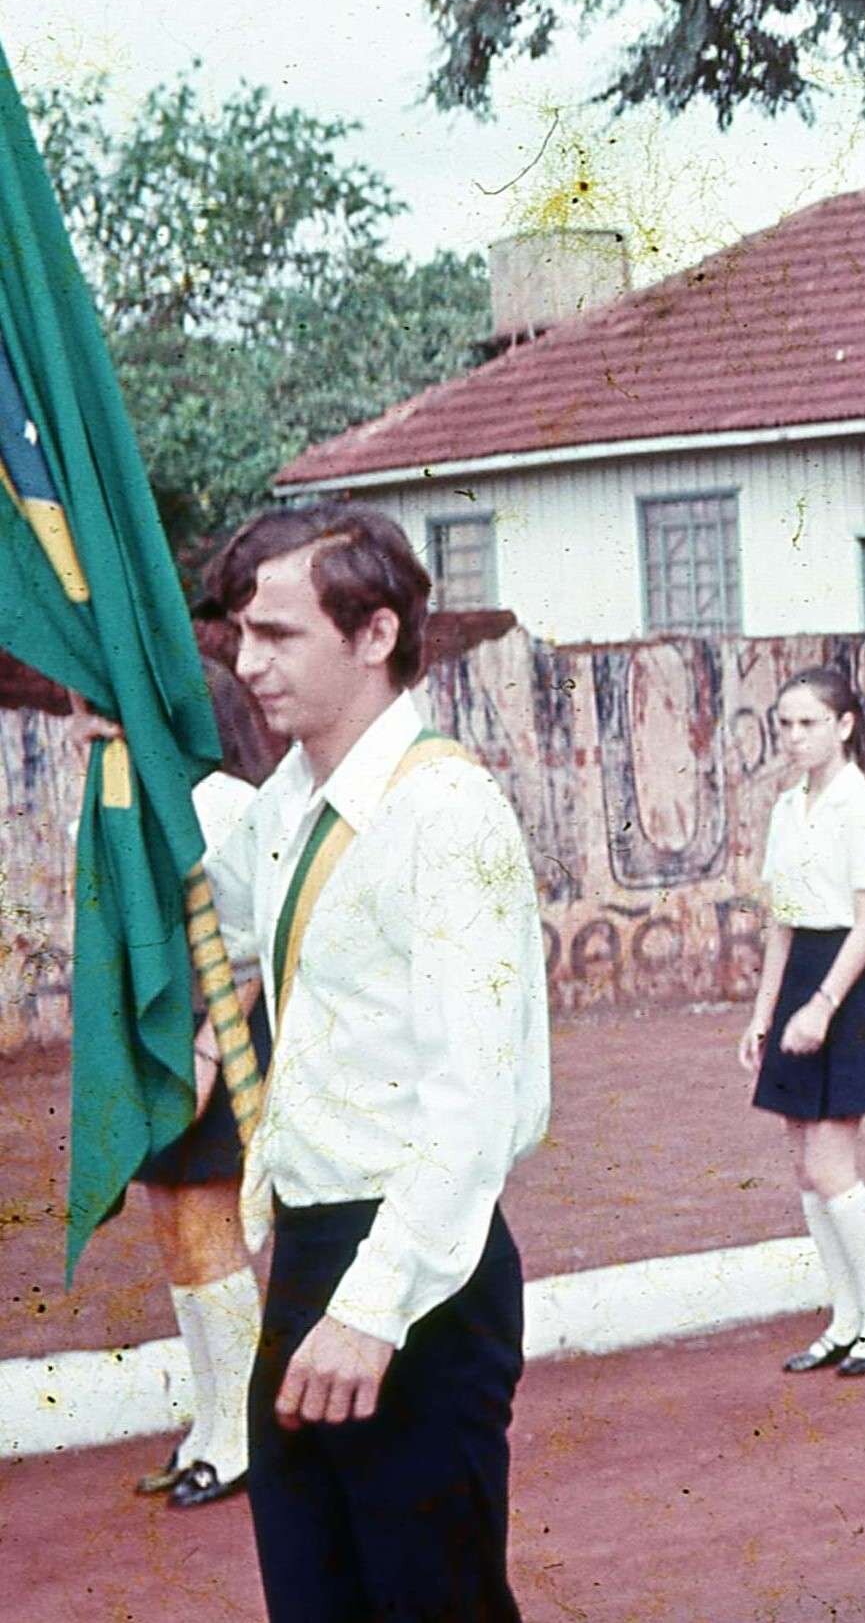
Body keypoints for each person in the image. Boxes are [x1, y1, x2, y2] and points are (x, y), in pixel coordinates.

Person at [197, 504, 549, 1622]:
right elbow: (246, 924)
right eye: (240, 636)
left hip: (414, 1272)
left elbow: (475, 1103)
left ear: (375, 633)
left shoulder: (447, 813)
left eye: (280, 634)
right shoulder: (293, 804)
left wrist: (373, 1310)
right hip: (310, 1251)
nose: (249, 664)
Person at [112, 655, 281, 1510]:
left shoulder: (225, 804)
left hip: (226, 1032)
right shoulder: (152, 803)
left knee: (212, 1231)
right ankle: (209, 1427)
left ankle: (244, 1439)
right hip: (173, 1036)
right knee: (177, 1232)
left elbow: (250, 947)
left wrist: (215, 1051)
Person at [741, 665, 865, 1377]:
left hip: (845, 990)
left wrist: (820, 1008)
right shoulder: (787, 808)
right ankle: (846, 1320)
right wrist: (763, 1014)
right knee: (805, 1171)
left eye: (808, 723)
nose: (793, 737)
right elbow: (781, 924)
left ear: (844, 726)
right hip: (797, 985)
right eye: (784, 724)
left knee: (830, 1165)